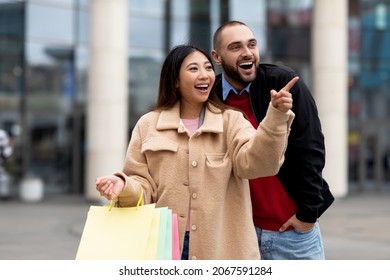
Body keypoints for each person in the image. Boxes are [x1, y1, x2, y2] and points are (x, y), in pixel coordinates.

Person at [95, 44, 295, 260]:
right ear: (175, 80)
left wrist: (276, 116)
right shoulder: (148, 125)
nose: (205, 75)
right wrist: (123, 186)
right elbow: (142, 186)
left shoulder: (232, 121)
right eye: (193, 69)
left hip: (221, 251)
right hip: (165, 248)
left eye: (208, 68)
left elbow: (258, 163)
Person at [211, 21, 335, 260]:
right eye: (235, 47)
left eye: (252, 44)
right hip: (239, 235)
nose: (247, 52)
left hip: (291, 233)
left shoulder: (283, 83)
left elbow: (311, 149)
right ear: (217, 57)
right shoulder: (212, 98)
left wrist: (308, 215)